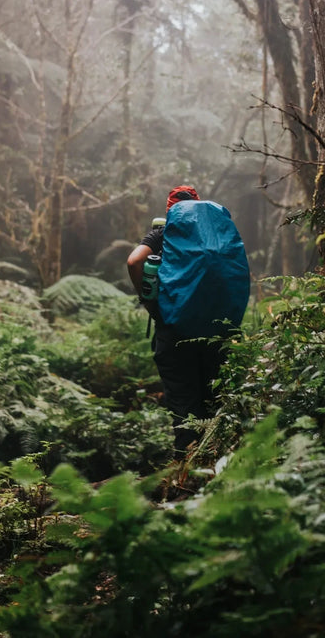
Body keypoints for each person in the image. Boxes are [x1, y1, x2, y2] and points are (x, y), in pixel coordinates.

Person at [127, 185, 227, 459]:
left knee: (183, 401)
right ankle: (218, 462)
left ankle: (186, 467)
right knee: (215, 397)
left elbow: (134, 261)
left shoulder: (162, 233)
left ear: (169, 209)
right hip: (215, 330)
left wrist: (148, 301)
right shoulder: (214, 233)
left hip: (173, 329)